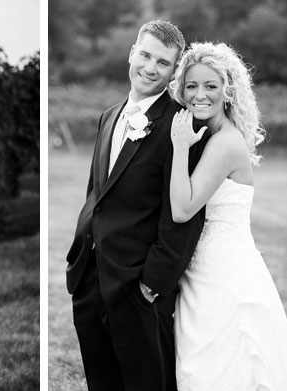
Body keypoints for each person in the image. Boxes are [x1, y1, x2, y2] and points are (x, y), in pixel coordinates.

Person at [65, 20, 211, 391]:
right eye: (145, 55)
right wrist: (78, 258)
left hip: (139, 286)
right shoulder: (109, 116)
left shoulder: (181, 126)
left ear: (174, 69)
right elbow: (97, 194)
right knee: (102, 381)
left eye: (162, 63)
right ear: (132, 52)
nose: (149, 67)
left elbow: (184, 215)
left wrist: (153, 285)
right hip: (90, 276)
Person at [168, 41, 287, 391]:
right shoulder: (212, 136)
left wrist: (178, 146)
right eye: (191, 85)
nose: (199, 94)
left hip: (222, 278)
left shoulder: (225, 143)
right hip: (201, 271)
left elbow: (182, 208)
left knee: (212, 370)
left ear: (228, 91)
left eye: (210, 86)